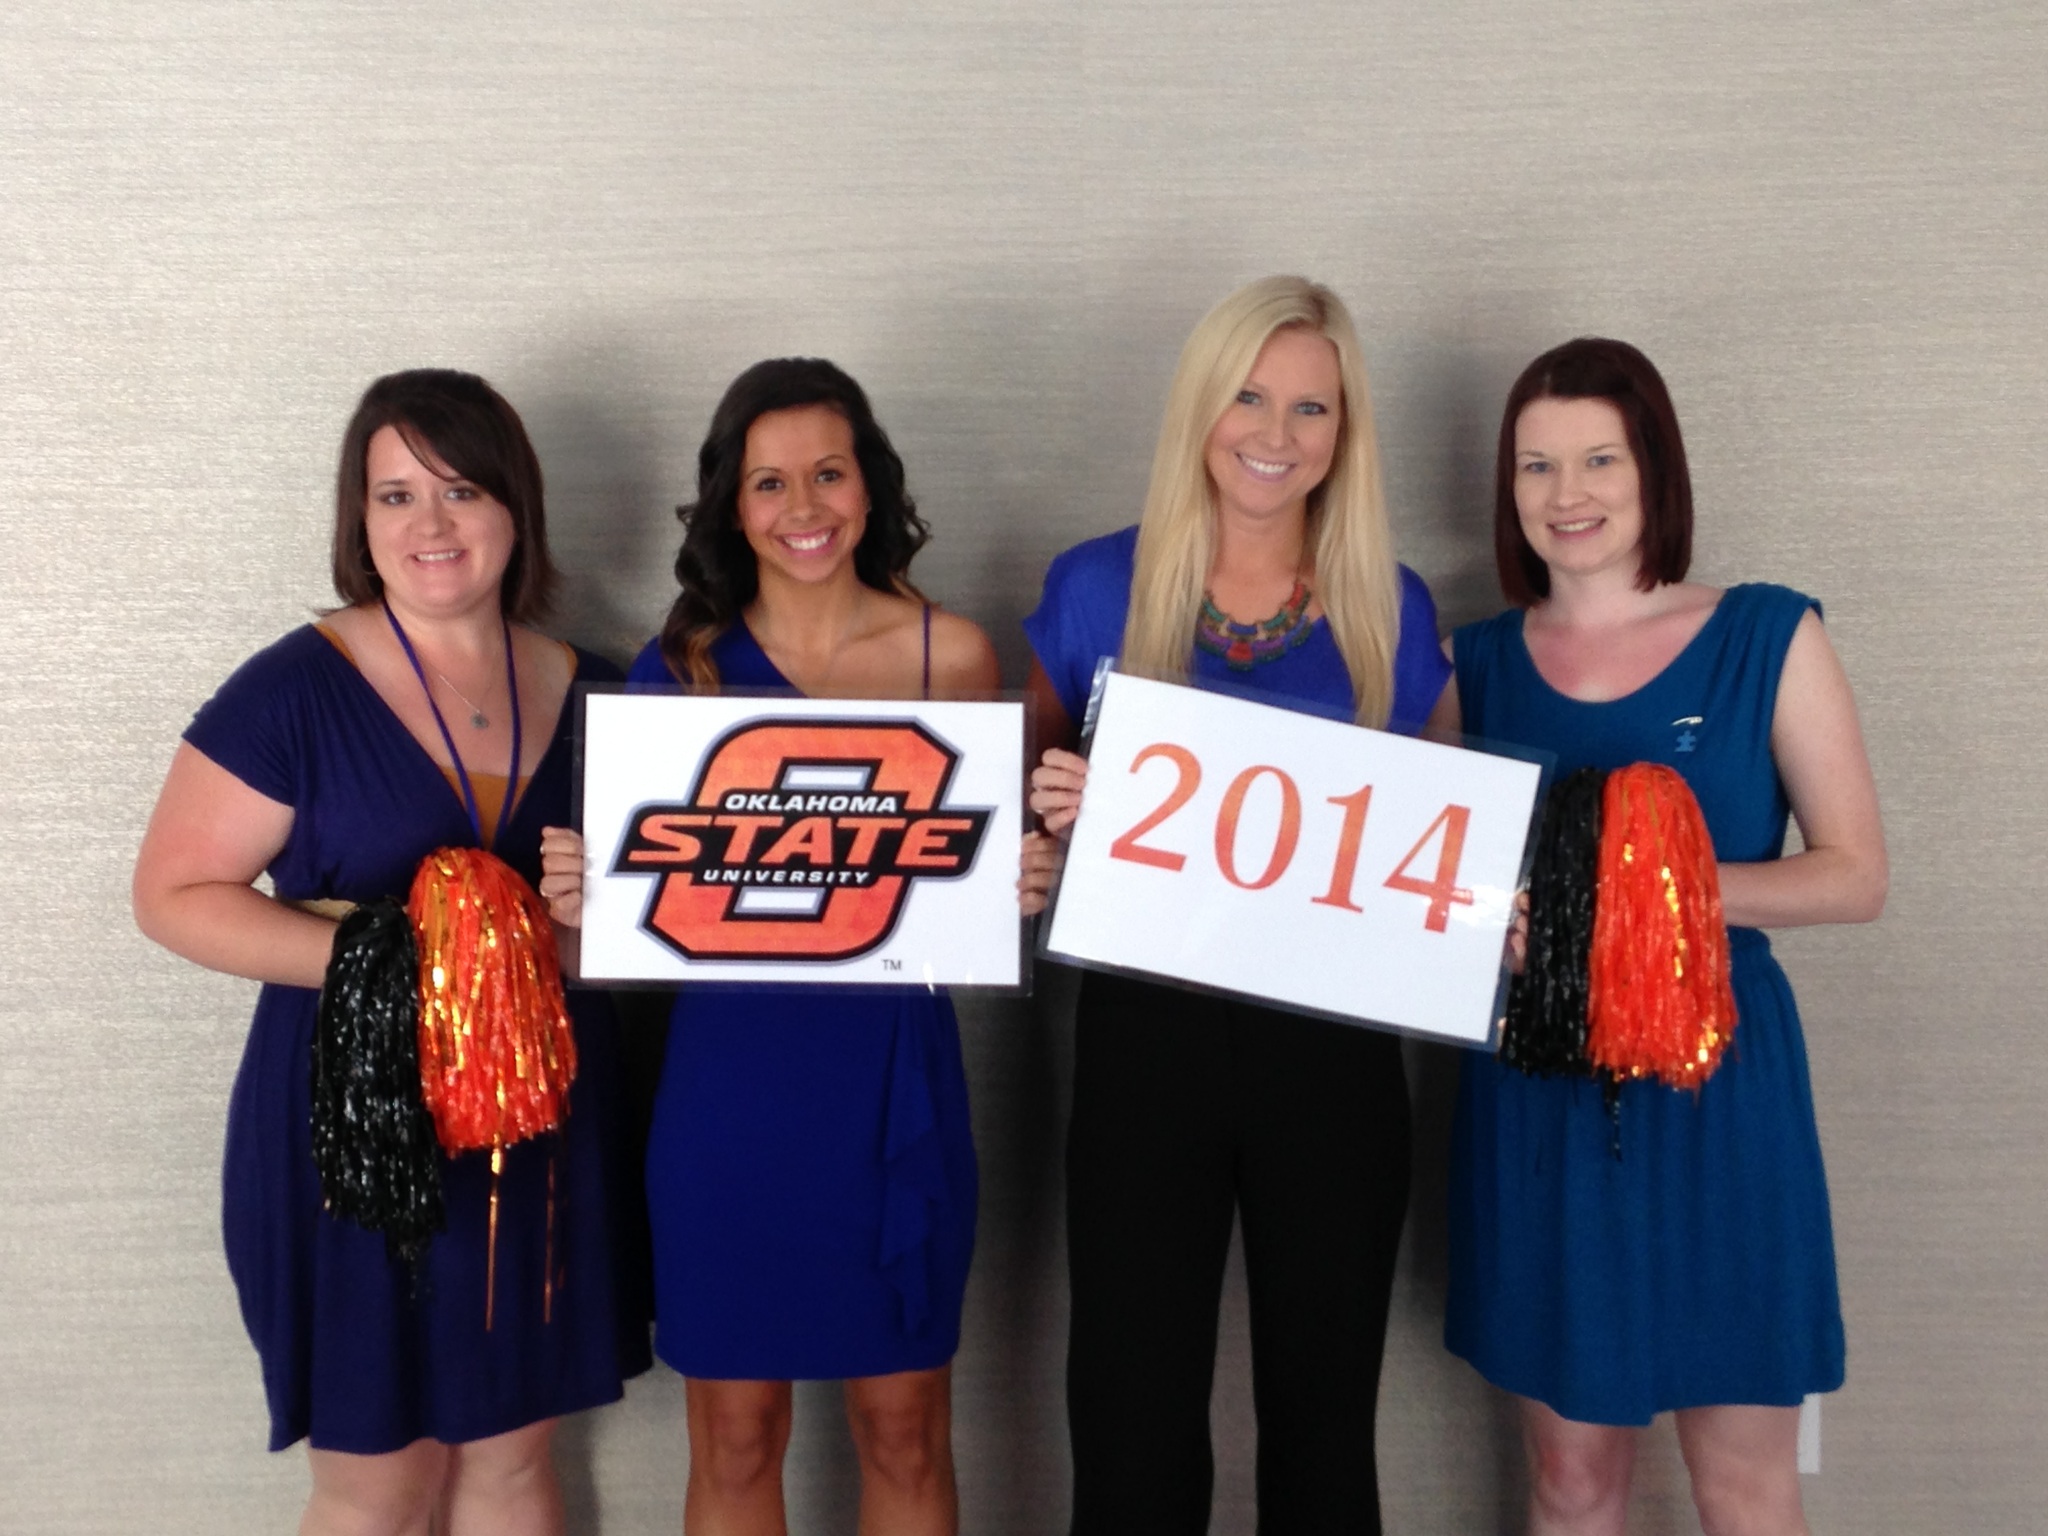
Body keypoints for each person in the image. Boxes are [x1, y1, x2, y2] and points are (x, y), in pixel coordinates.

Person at [132, 369, 648, 1536]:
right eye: (394, 494)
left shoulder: (603, 693)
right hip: (358, 1131)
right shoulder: (293, 689)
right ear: (357, 521)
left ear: (515, 507)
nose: (429, 526)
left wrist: (567, 925)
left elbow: (626, 944)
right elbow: (170, 894)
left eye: (459, 490)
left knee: (515, 1463)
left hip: (538, 1126)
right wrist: (407, 960)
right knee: (380, 1482)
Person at [1018, 275, 1453, 1534]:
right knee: (1130, 1425)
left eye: (1310, 407)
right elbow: (1019, 829)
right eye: (1249, 396)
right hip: (1144, 1042)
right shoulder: (1097, 586)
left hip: (1334, 1050)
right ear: (1201, 408)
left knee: (1323, 1431)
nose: (1274, 432)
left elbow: (1445, 853)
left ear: (1343, 433)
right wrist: (1041, 839)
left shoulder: (1394, 603)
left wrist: (1490, 909)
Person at [1432, 337, 1887, 1536]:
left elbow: (1851, 879)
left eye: (1597, 460)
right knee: (1570, 1484)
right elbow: (1427, 896)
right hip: (1539, 1098)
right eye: (1535, 466)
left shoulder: (1766, 635)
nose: (1565, 495)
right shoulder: (1464, 662)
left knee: (1742, 1485)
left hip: (1718, 1094)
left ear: (1654, 473)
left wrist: (1629, 895)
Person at [539, 357, 999, 1536]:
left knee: (904, 1430)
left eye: (828, 474)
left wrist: (1029, 879)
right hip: (728, 1096)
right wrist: (580, 904)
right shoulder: (676, 669)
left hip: (893, 1089)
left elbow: (980, 895)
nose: (804, 509)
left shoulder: (957, 657)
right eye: (770, 482)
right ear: (732, 507)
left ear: (871, 485)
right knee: (735, 1433)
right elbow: (623, 938)